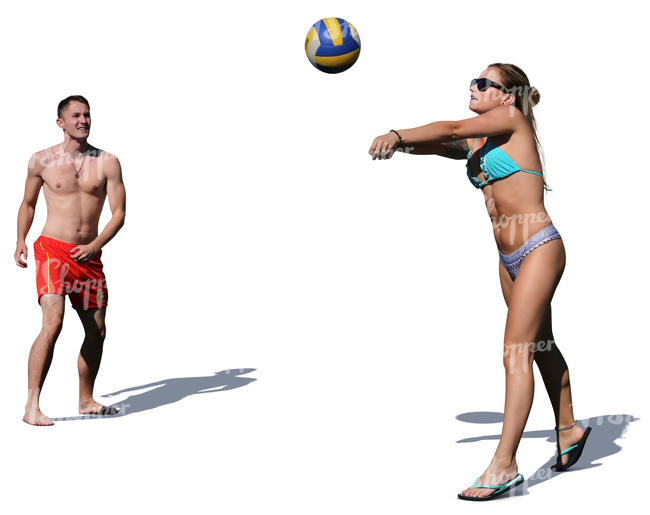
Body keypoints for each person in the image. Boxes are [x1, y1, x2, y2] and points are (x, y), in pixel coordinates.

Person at [368, 63, 592, 501]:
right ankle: (569, 427)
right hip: (508, 258)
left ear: (507, 96)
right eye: (473, 80)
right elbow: (447, 140)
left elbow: (451, 125)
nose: (474, 86)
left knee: (515, 351)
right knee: (540, 343)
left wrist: (398, 133)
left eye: (485, 83)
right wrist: (404, 149)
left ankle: (504, 465)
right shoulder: (481, 139)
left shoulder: (512, 120)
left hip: (540, 248)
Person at [14, 95, 126, 426]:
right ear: (61, 122)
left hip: (89, 257)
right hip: (52, 250)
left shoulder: (108, 161)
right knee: (53, 321)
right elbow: (28, 203)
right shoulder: (41, 160)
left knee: (97, 330)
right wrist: (20, 239)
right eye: (76, 115)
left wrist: (95, 245)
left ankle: (86, 399)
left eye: (87, 115)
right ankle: (31, 405)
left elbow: (119, 213)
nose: (84, 120)